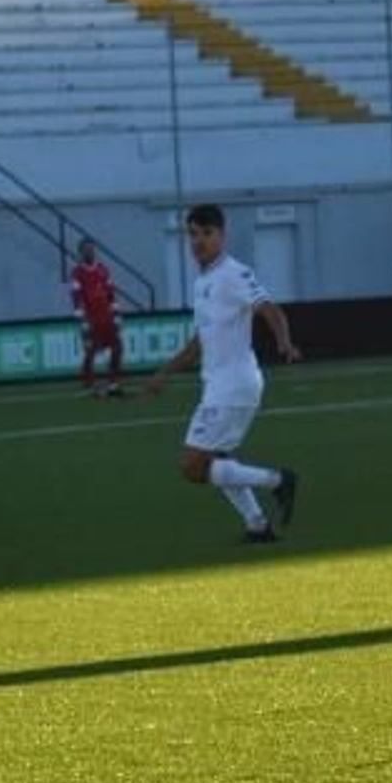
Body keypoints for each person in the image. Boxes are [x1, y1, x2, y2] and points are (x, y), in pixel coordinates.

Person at [145, 204, 301, 543]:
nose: (198, 241)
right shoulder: (203, 282)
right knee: (217, 460)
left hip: (234, 386)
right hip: (219, 386)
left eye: (206, 233)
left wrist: (284, 342)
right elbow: (199, 343)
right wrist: (164, 373)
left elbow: (270, 310)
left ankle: (279, 480)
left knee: (192, 467)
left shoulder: (234, 273)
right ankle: (257, 525)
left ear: (221, 235)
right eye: (193, 234)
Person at [70, 237, 126, 397]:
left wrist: (117, 315)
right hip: (91, 318)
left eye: (92, 249)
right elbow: (76, 298)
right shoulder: (77, 273)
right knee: (90, 351)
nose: (90, 252)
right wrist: (82, 320)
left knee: (118, 348)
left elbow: (111, 294)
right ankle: (88, 385)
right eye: (86, 249)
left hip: (107, 317)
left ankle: (113, 384)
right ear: (81, 252)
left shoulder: (103, 270)